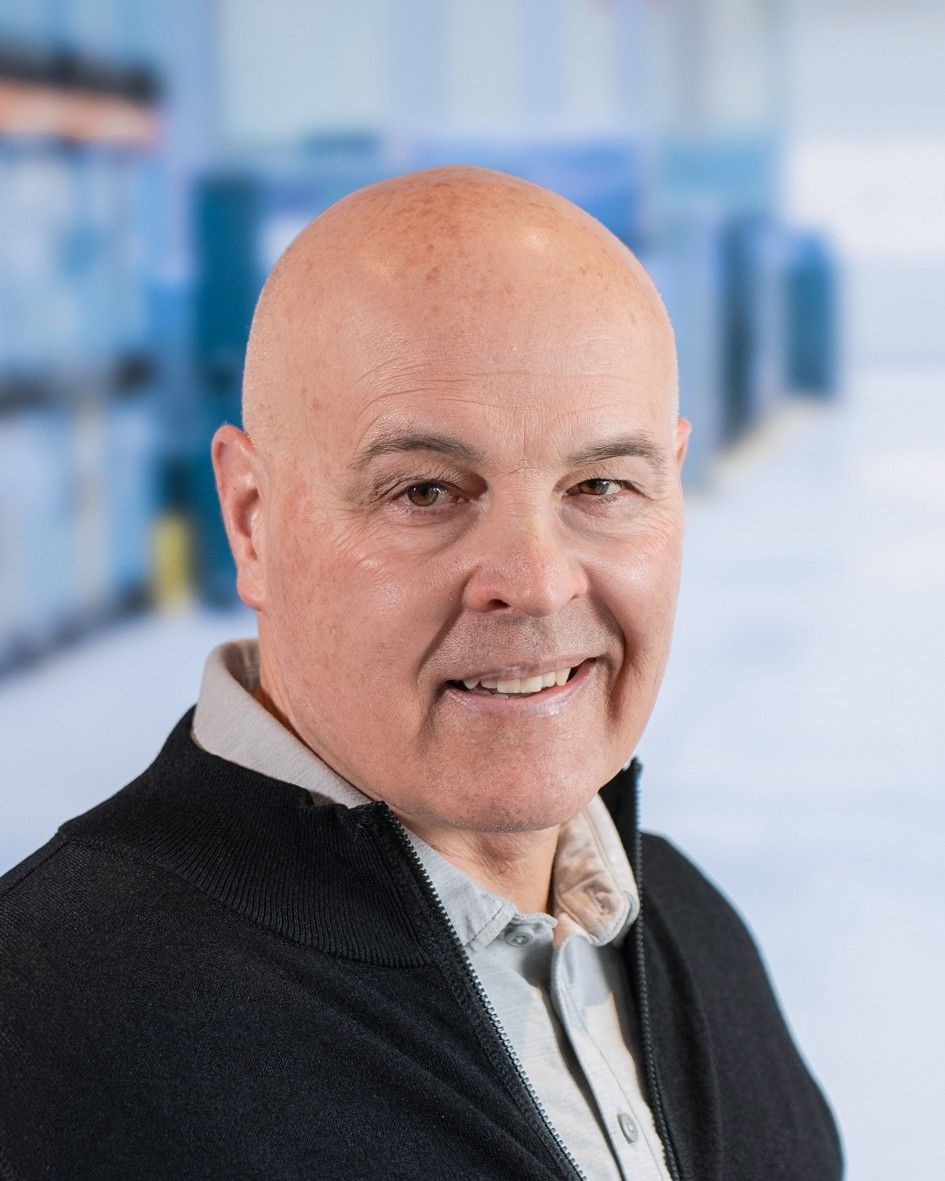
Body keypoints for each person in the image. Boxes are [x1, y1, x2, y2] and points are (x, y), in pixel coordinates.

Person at [0, 166, 842, 1180]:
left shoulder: (695, 934)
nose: (534, 582)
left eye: (602, 484)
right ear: (252, 519)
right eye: (428, 490)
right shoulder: (49, 1016)